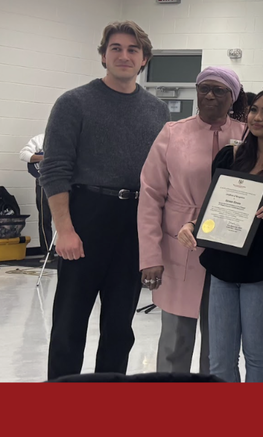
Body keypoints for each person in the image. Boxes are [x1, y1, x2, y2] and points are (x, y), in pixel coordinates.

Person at [40, 20, 170, 380]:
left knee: (119, 326)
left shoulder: (158, 111)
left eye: (133, 50)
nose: (124, 55)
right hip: (86, 216)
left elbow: (161, 176)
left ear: (144, 60)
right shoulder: (73, 103)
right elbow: (55, 170)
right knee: (70, 323)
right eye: (116, 48)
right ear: (103, 56)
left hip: (134, 220)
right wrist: (64, 229)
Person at [177, 87, 263, 382]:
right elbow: (211, 209)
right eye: (254, 110)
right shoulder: (229, 156)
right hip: (222, 263)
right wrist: (191, 226)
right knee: (220, 357)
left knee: (257, 352)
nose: (257, 117)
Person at [137, 67, 248, 374]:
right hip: (178, 250)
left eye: (219, 91)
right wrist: (150, 256)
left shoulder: (246, 134)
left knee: (220, 344)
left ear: (233, 97)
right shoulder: (172, 132)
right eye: (204, 89)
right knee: (174, 341)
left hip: (227, 248)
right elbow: (150, 196)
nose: (210, 95)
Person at [20, 132, 53, 252]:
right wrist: (44, 158)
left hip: (65, 180)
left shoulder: (71, 138)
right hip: (43, 180)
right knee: (44, 217)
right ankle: (47, 252)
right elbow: (23, 154)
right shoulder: (40, 139)